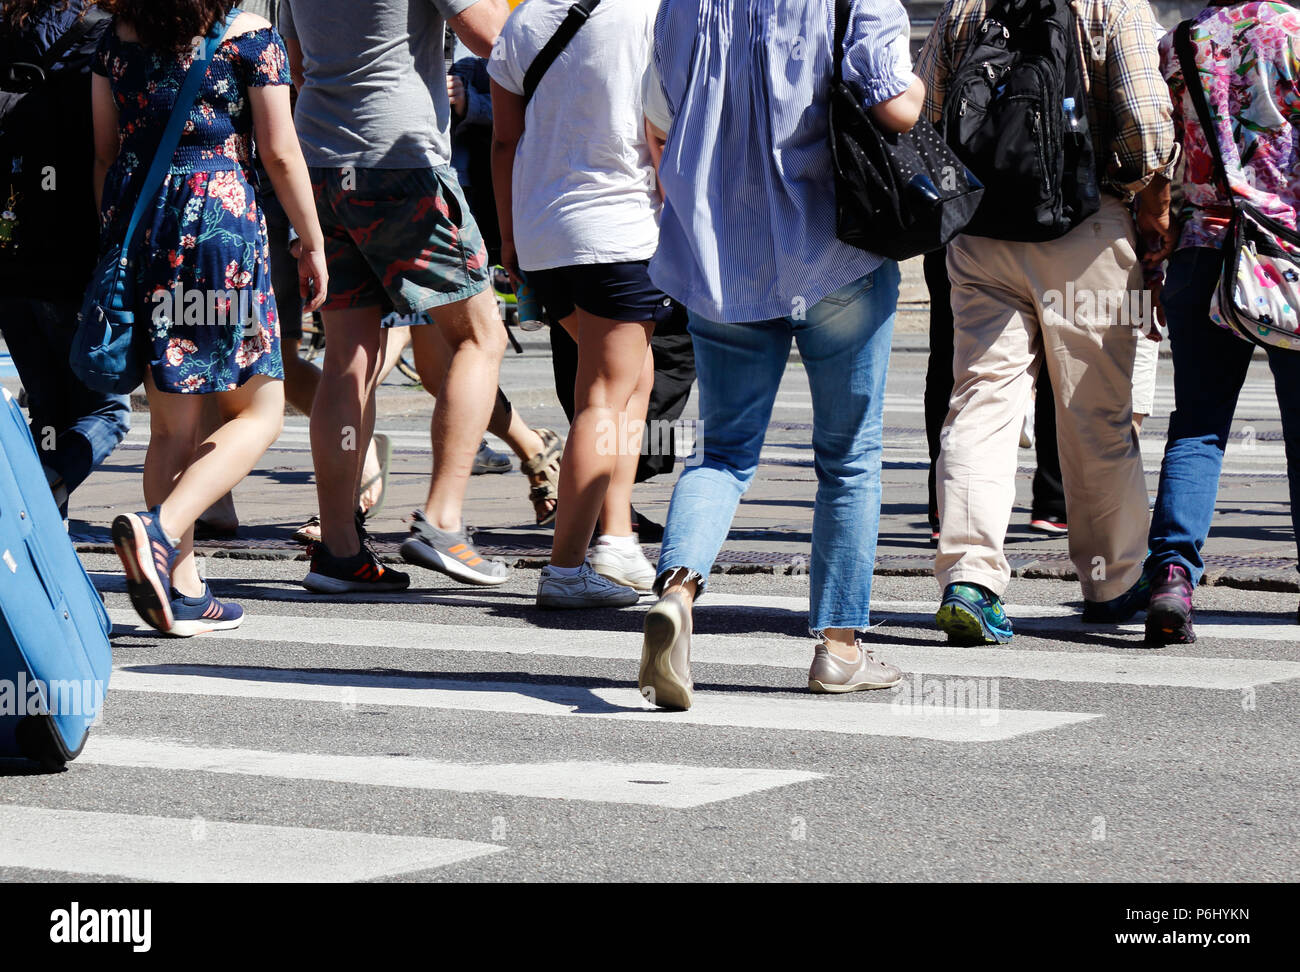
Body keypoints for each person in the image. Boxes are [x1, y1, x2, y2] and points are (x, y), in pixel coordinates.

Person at [636, 0, 923, 709]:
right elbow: (892, 103)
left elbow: (662, 106)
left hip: (720, 254)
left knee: (723, 451)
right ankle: (839, 648)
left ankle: (677, 592)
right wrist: (928, 94)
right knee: (849, 455)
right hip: (835, 249)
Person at [916, 0, 1178, 645]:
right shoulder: (1112, 5)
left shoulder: (964, 6)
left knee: (981, 402)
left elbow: (923, 115)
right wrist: (1147, 201)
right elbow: (1146, 127)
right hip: (1087, 233)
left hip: (981, 235)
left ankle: (970, 581)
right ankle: (1112, 580)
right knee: (1097, 412)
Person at [97, 0, 327, 636]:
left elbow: (103, 152)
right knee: (260, 411)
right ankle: (160, 531)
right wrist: (310, 240)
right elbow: (280, 154)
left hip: (143, 231)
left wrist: (118, 242)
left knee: (172, 425)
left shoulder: (117, 36)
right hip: (216, 231)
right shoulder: (250, 39)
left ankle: (183, 589)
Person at [280, 0, 515, 593]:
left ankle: (339, 549)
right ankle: (442, 521)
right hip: (399, 156)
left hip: (320, 163)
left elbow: (299, 64)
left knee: (346, 358)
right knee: (479, 335)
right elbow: (490, 36)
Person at [490, 0, 665, 608]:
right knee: (603, 397)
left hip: (544, 233)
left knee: (634, 382)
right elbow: (663, 128)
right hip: (619, 228)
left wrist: (510, 237)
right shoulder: (648, 14)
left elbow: (504, 141)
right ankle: (565, 569)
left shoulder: (522, 20)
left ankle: (617, 540)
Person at [1143, 0, 1300, 645]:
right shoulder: (1292, 32)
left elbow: (1166, 151)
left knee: (1199, 423)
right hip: (1286, 256)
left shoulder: (1181, 41)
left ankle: (1173, 575)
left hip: (1203, 247)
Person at [0, 0, 129, 519]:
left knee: (49, 413)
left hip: (10, 255)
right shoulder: (102, 39)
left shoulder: (6, 35)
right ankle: (44, 488)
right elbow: (108, 150)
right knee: (106, 409)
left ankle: (43, 541)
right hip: (73, 256)